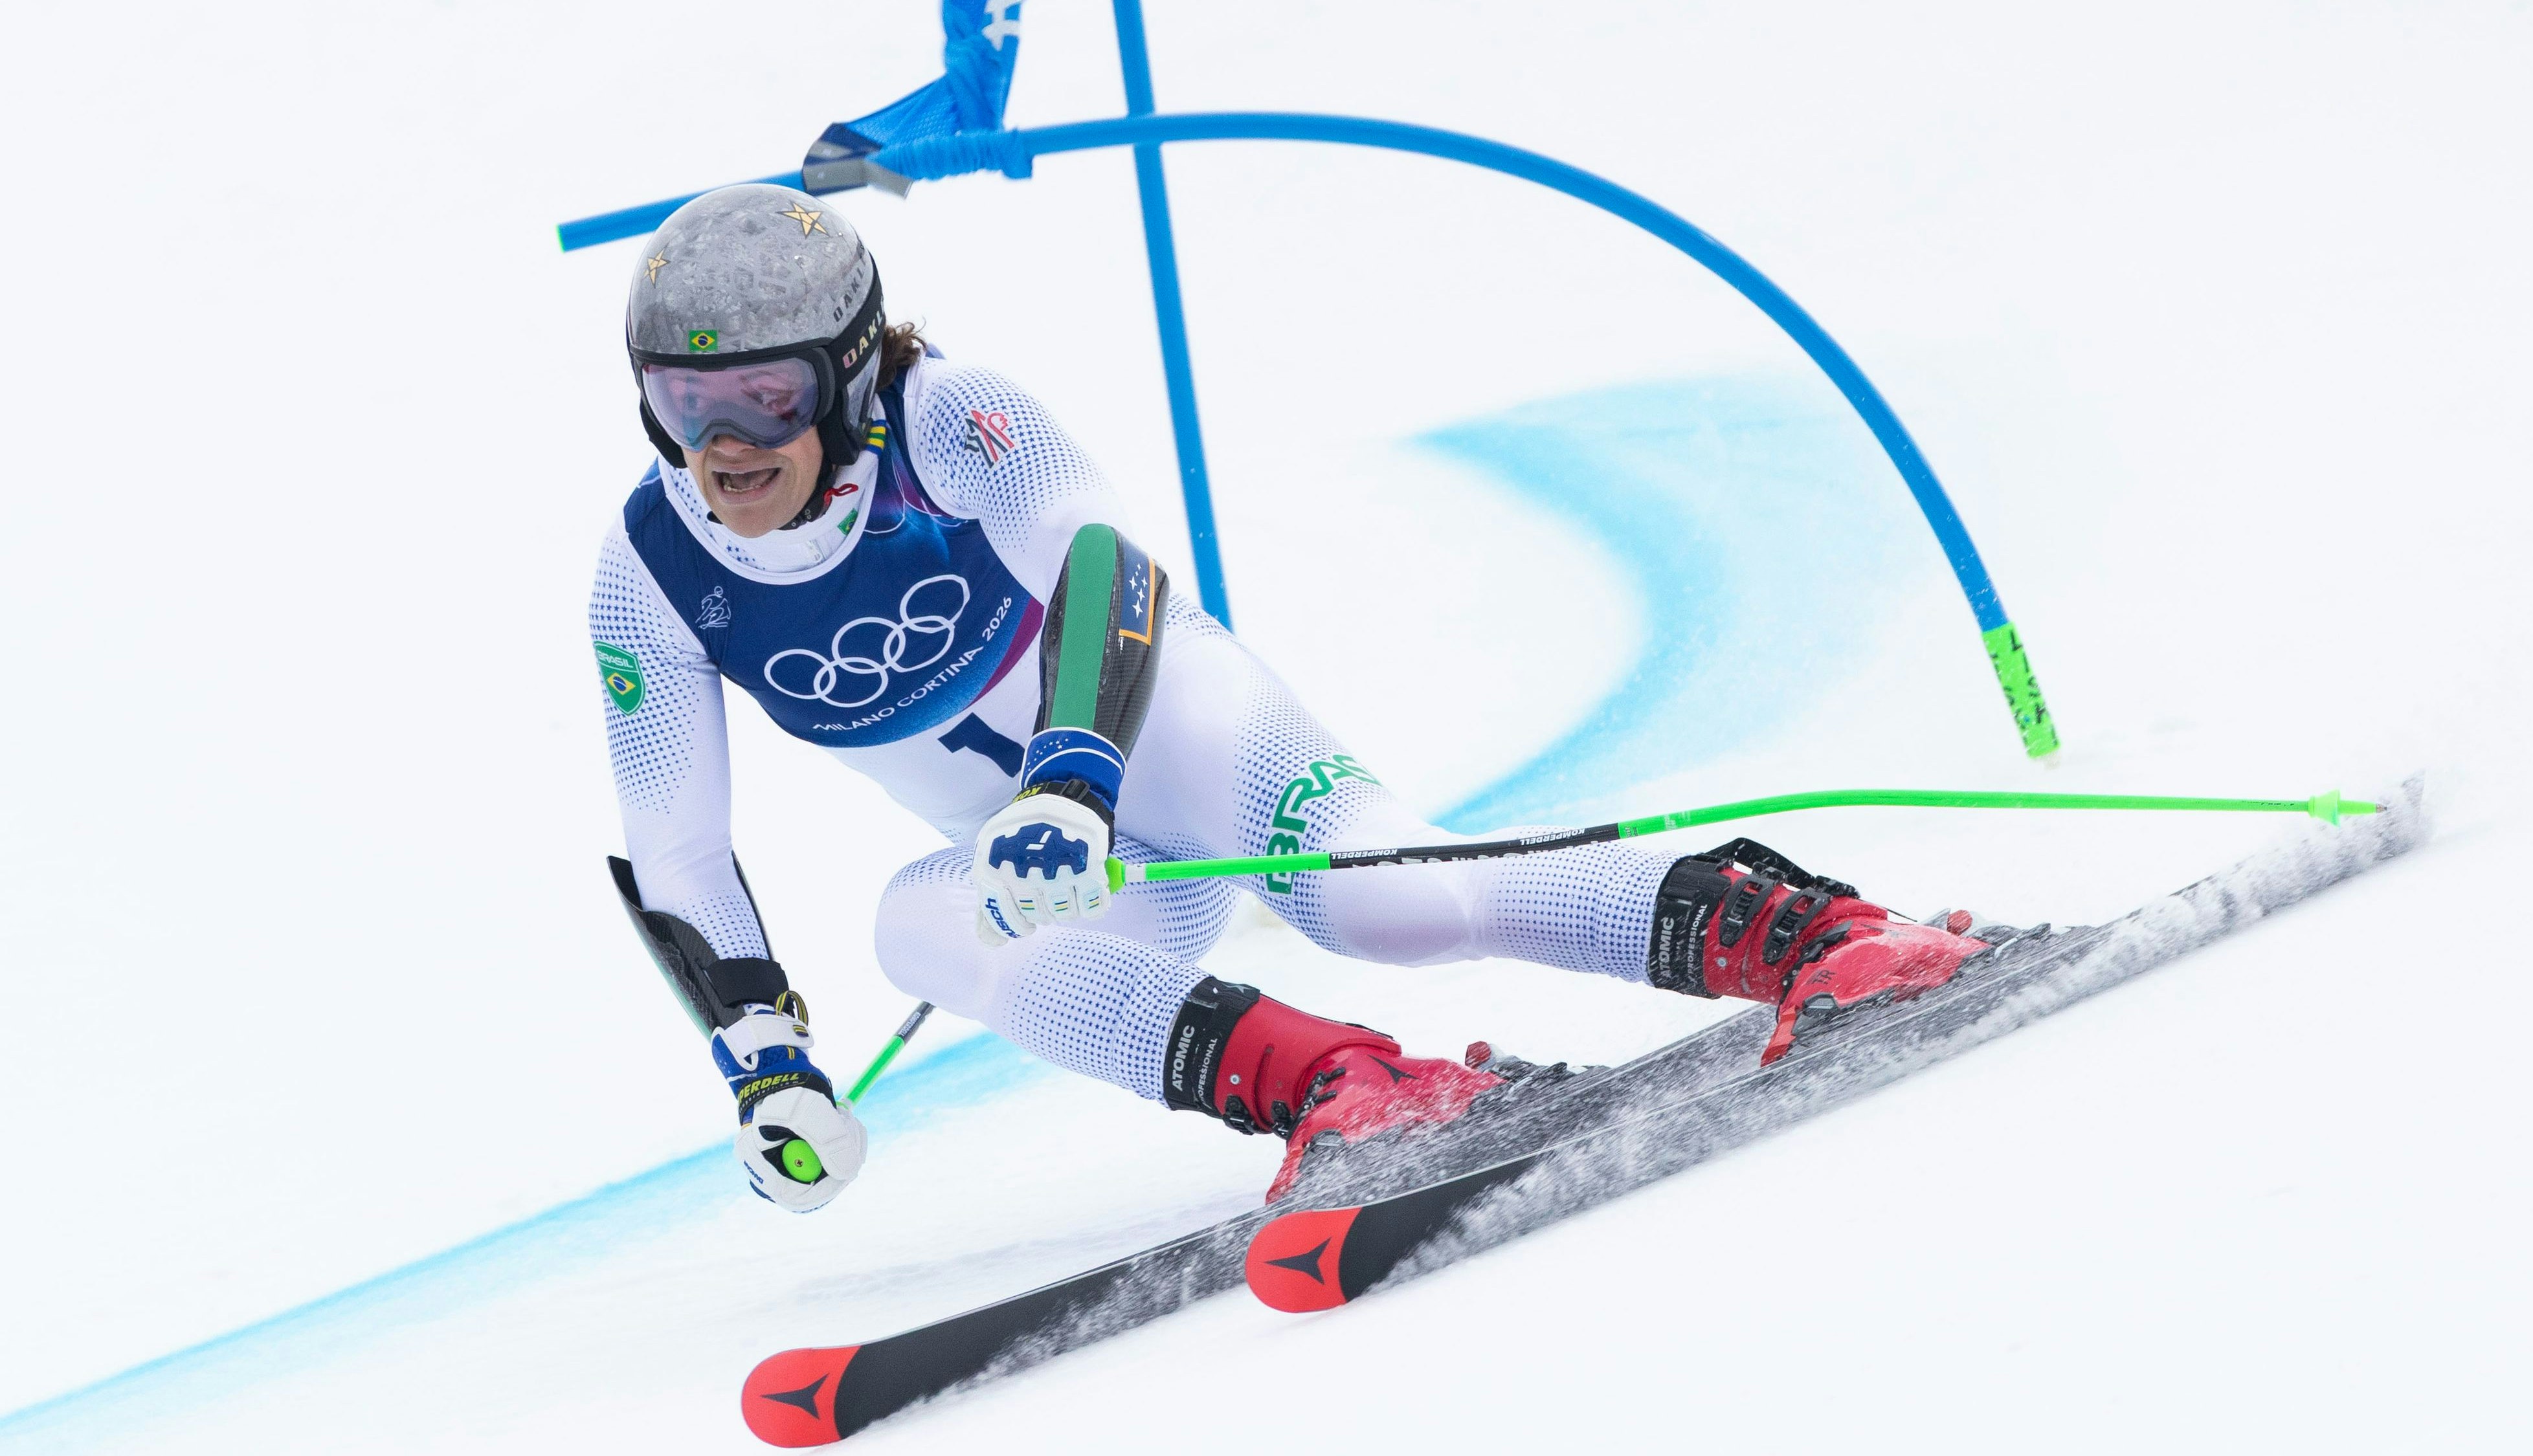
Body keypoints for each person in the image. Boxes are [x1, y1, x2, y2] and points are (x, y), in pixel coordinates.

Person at [591, 183, 1985, 1213]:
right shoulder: (647, 569)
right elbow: (678, 839)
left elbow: (1106, 568)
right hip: (1066, 866)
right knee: (919, 926)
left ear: (844, 375)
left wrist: (1072, 780)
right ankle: (1344, 1087)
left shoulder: (951, 416)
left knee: (1386, 902)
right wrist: (765, 1064)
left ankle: (1816, 934)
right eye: (681, 400)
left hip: (1167, 735)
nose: (723, 447)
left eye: (766, 399)